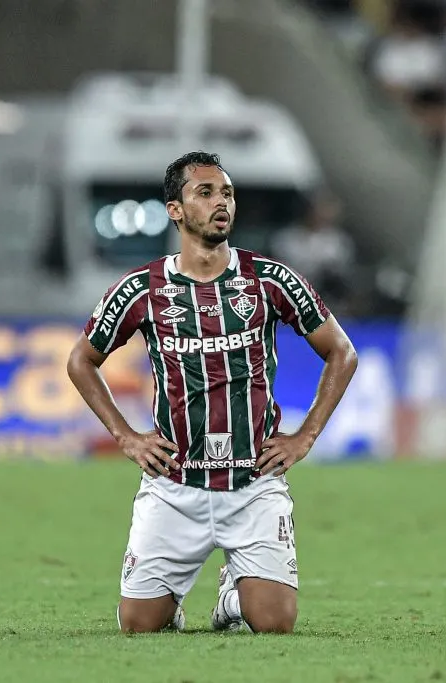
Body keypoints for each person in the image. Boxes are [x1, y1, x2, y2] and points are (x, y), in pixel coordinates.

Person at [66, 151, 358, 634]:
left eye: (227, 193)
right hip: (174, 484)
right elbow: (81, 360)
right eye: (205, 193)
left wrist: (304, 436)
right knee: (138, 625)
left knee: (275, 623)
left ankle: (232, 595)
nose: (221, 202)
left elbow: (341, 352)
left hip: (253, 482)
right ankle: (167, 603)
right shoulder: (142, 289)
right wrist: (126, 436)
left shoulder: (270, 280)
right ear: (175, 210)